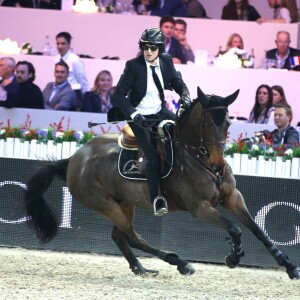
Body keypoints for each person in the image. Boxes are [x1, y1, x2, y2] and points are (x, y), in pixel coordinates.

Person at [111, 28, 191, 216]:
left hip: (160, 112)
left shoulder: (166, 61)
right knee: (153, 156)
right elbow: (118, 95)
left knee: (185, 132)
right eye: (145, 47)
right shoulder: (133, 66)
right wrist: (132, 113)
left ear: (160, 49)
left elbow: (178, 82)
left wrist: (185, 96)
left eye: (153, 48)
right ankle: (157, 199)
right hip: (140, 118)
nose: (148, 51)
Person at [54, 31, 89, 111]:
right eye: (58, 43)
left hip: (74, 93)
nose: (60, 46)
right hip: (60, 92)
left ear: (69, 45)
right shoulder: (56, 59)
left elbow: (83, 81)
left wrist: (82, 98)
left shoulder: (75, 60)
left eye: (63, 43)